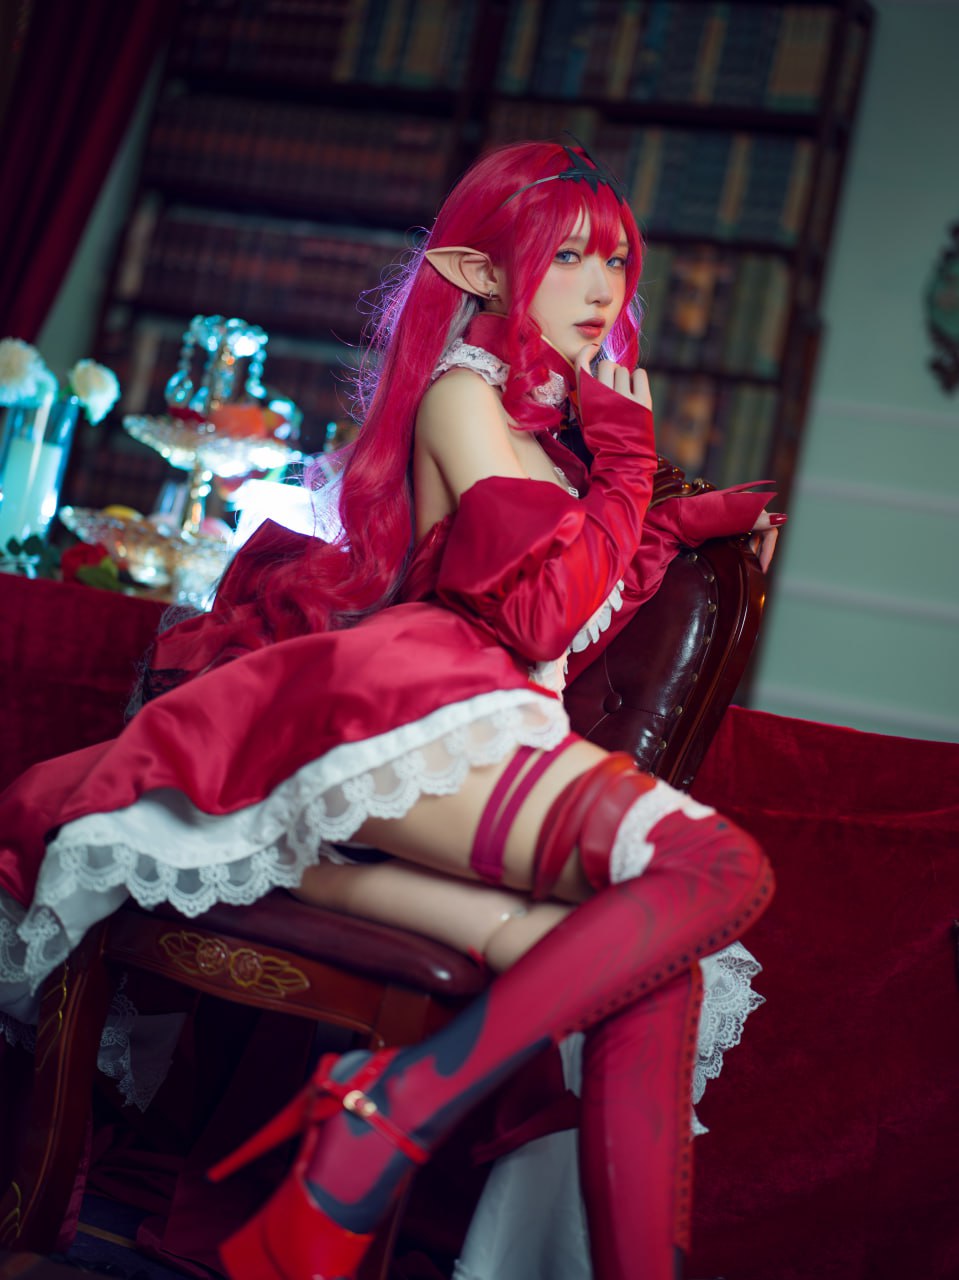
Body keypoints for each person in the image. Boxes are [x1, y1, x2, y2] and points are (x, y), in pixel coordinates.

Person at [0, 141, 782, 1280]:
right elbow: (536, 612)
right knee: (715, 867)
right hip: (421, 706)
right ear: (479, 272)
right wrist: (627, 463)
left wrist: (676, 515)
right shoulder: (462, 396)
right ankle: (382, 1115)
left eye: (615, 259)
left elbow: (581, 610)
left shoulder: (545, 435)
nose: (601, 286)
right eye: (567, 256)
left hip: (488, 730)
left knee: (656, 973)